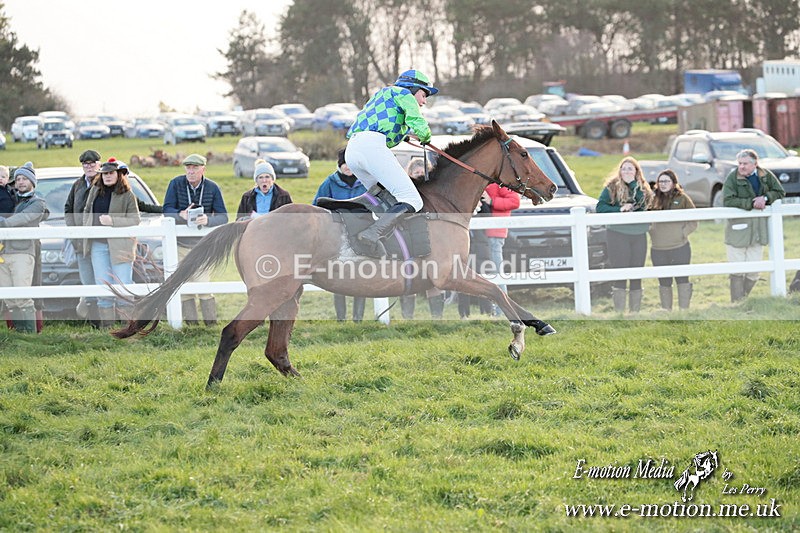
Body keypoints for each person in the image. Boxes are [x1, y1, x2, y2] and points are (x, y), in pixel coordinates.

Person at [345, 69, 437, 256]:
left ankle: (391, 244)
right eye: (423, 94)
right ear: (413, 88)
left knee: (386, 198)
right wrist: (425, 136)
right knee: (412, 200)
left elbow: (382, 122)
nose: (424, 101)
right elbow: (415, 119)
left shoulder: (382, 94)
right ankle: (372, 234)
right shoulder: (404, 93)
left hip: (353, 150)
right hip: (372, 147)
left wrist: (403, 135)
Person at [163, 153, 228, 325]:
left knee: (203, 284)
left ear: (203, 169)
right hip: (180, 244)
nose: (191, 171)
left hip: (202, 246)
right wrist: (180, 215)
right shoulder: (175, 184)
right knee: (184, 287)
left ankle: (210, 324)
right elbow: (166, 209)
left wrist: (208, 221)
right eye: (188, 167)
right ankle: (192, 325)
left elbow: (223, 217)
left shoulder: (212, 187)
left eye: (195, 168)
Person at [81, 159, 141, 327]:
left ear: (118, 175)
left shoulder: (128, 194)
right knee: (103, 285)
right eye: (105, 174)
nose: (107, 176)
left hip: (121, 246)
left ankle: (127, 328)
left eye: (111, 173)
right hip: (98, 245)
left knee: (123, 285)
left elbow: (135, 219)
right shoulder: (95, 191)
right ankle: (107, 328)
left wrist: (113, 221)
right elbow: (87, 211)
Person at [722, 148, 785, 302]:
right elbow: (728, 200)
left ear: (755, 164)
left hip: (758, 231)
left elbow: (779, 191)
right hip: (738, 231)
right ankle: (736, 303)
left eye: (745, 163)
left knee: (754, 271)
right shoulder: (732, 178)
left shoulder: (765, 175)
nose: (741, 167)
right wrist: (751, 203)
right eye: (740, 163)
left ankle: (742, 300)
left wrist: (765, 198)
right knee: (737, 270)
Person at [313, 149, 367, 321]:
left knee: (360, 275)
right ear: (339, 165)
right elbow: (316, 205)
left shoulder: (365, 181)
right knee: (339, 276)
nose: (347, 168)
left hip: (360, 233)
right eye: (344, 164)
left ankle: (358, 318)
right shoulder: (329, 183)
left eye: (350, 164)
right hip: (337, 234)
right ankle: (341, 319)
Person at [596, 156, 653, 313]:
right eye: (624, 168)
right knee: (620, 271)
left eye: (630, 168)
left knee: (637, 272)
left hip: (638, 234)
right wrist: (619, 210)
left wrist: (633, 184)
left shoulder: (642, 188)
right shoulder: (611, 187)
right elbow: (600, 207)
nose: (626, 171)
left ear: (636, 172)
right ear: (620, 171)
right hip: (617, 234)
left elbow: (644, 206)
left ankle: (635, 312)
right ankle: (619, 313)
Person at [0, 162, 49, 333]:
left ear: (32, 182)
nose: (21, 182)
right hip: (3, 252)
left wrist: (3, 222)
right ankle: (18, 336)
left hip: (22, 252)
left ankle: (30, 336)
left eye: (25, 179)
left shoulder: (37, 203)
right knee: (10, 299)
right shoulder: (9, 198)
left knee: (22, 297)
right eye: (18, 179)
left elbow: (23, 218)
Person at [398, 158, 445, 319]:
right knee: (409, 276)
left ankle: (437, 319)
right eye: (415, 173)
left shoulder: (434, 191)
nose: (419, 175)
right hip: (409, 238)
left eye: (421, 173)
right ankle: (407, 318)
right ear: (409, 174)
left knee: (433, 277)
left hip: (431, 239)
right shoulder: (403, 190)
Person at [648, 169, 698, 310]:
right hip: (658, 248)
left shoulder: (682, 198)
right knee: (664, 281)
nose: (663, 184)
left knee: (682, 279)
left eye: (666, 181)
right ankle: (666, 311)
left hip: (680, 247)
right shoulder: (652, 199)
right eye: (661, 181)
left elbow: (694, 219)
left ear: (673, 183)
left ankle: (684, 311)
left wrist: (682, 233)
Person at [65, 149, 102, 325]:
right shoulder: (77, 185)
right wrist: (74, 233)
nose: (89, 166)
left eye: (92, 163)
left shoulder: (105, 182)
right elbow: (68, 209)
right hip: (81, 242)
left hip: (100, 241)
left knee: (102, 279)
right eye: (86, 164)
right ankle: (94, 322)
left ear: (98, 164)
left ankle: (108, 320)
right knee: (87, 281)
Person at [482, 180, 521, 315]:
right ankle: (492, 309)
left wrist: (491, 201)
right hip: (480, 234)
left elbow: (514, 201)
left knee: (497, 272)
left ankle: (502, 310)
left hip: (494, 233)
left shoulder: (502, 182)